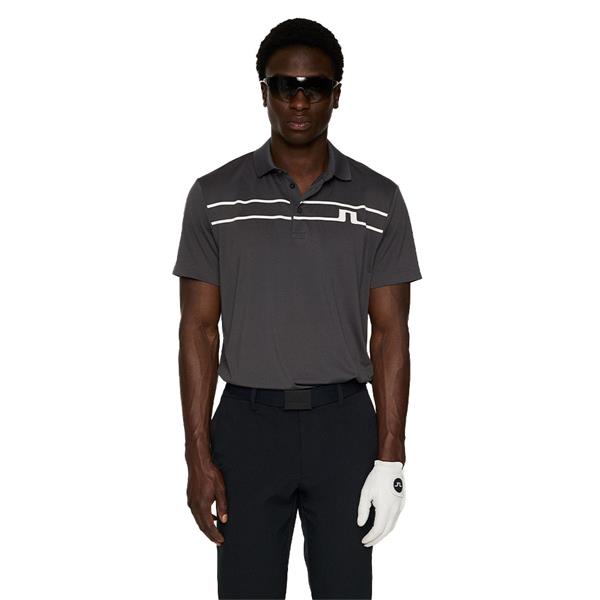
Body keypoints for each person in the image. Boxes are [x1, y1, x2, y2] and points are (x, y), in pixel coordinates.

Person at [172, 17, 422, 600]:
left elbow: (391, 334)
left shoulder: (379, 199)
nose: (300, 100)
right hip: (248, 428)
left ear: (338, 94)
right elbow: (198, 331)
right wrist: (196, 455)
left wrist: (391, 457)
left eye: (315, 86)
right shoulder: (214, 196)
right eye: (285, 85)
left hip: (344, 427)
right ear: (264, 92)